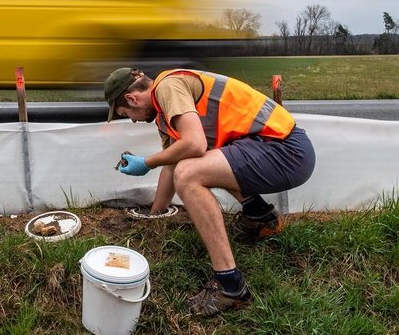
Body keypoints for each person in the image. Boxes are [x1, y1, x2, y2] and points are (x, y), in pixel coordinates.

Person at [104, 67, 315, 317]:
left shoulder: (168, 87)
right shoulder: (164, 116)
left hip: (286, 151)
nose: (133, 120)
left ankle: (230, 286)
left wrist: (147, 162)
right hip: (272, 149)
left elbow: (193, 145)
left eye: (126, 114)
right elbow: (172, 163)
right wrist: (154, 216)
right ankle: (259, 217)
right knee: (197, 163)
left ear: (131, 99)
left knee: (190, 172)